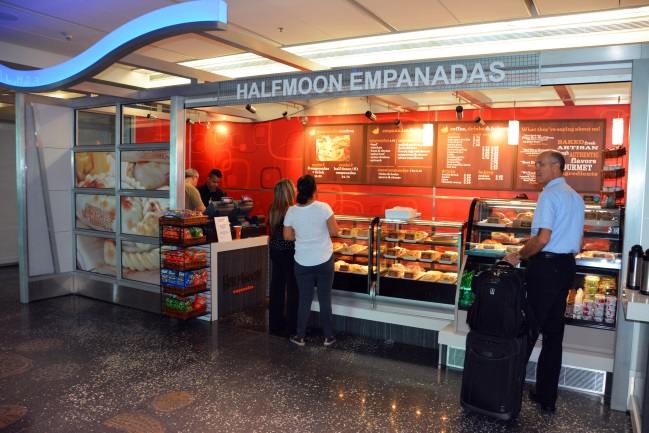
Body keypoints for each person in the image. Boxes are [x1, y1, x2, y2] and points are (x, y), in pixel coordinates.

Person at [504, 150, 584, 413]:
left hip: (546, 267)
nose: (536, 168)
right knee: (553, 336)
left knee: (528, 330)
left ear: (557, 166)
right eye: (535, 163)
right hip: (565, 267)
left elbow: (542, 238)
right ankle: (546, 398)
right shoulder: (575, 196)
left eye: (541, 164)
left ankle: (508, 393)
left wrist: (519, 255)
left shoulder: (549, 194)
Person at [283, 174, 338, 347]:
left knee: (304, 299)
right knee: (324, 298)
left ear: (299, 190)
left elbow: (287, 236)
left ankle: (300, 336)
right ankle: (328, 336)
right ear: (315, 190)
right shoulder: (324, 208)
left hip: (302, 261)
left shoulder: (291, 211)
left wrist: (302, 234)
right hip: (324, 260)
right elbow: (334, 231)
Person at [268, 179, 299, 337]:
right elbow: (291, 236)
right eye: (293, 188)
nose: (295, 189)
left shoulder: (273, 209)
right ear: (288, 192)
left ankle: (275, 323)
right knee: (293, 289)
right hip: (288, 253)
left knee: (276, 287)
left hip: (275, 251)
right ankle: (292, 326)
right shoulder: (291, 210)